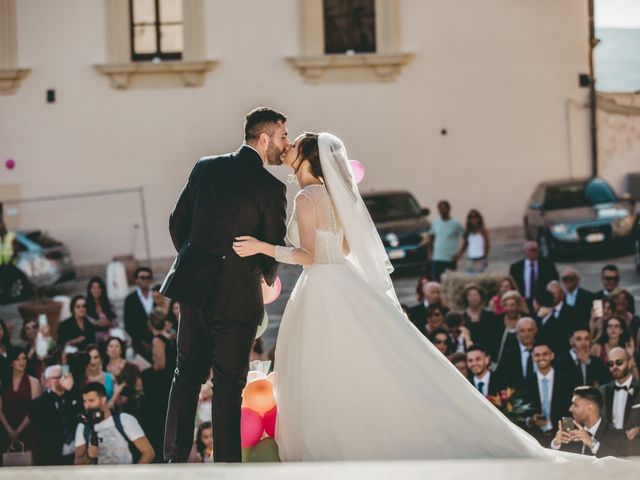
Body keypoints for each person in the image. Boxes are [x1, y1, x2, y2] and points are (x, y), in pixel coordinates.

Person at [232, 132, 585, 461]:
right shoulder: (335, 196)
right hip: (342, 280)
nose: (288, 147)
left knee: (324, 370)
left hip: (322, 285)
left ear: (307, 159)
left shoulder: (307, 196)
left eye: (294, 145)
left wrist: (262, 247)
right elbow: (345, 245)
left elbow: (309, 256)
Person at [161, 107, 288, 463]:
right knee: (228, 385)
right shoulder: (270, 187)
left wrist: (198, 262)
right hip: (238, 296)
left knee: (185, 373)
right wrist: (265, 277)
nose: (285, 144)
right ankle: (228, 467)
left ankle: (172, 461)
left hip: (195, 290)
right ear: (263, 139)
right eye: (282, 136)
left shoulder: (205, 167)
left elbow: (177, 222)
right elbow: (272, 247)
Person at [74, 382, 154, 465]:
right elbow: (77, 463)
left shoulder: (125, 420)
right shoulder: (83, 427)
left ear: (103, 399)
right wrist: (88, 456)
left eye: (91, 400)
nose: (87, 405)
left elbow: (148, 453)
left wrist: (133, 475)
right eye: (85, 401)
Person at [519, 342, 576, 445]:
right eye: (537, 355)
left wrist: (568, 435)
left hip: (561, 437)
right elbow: (521, 415)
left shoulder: (566, 381)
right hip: (534, 439)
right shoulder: (525, 383)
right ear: (532, 358)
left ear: (552, 355)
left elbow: (570, 410)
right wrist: (531, 420)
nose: (541, 358)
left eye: (545, 354)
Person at [551, 386, 628, 457]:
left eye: (575, 405)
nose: (570, 409)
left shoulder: (615, 434)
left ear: (590, 408)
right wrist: (555, 444)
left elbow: (618, 464)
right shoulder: (570, 431)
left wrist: (593, 444)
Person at [29, 365, 82, 465]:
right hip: (52, 456)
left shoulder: (72, 397)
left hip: (75, 454)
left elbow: (82, 413)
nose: (63, 379)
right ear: (48, 382)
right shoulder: (38, 404)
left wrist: (71, 391)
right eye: (59, 377)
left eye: (64, 376)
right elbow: (46, 428)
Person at [142, 308, 176, 462]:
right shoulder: (168, 338)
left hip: (160, 387)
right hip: (168, 384)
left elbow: (159, 365)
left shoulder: (157, 340)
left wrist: (144, 370)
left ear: (150, 324)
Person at [0, 348, 42, 455]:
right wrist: (10, 431)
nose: (22, 362)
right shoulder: (3, 383)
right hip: (5, 431)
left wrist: (18, 431)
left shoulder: (34, 382)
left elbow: (34, 411)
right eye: (18, 359)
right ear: (11, 363)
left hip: (27, 430)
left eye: (24, 359)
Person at [599, 347, 640, 455]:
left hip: (635, 451)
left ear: (630, 362)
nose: (614, 367)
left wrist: (638, 430)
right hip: (608, 450)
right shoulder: (603, 391)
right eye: (610, 364)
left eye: (619, 362)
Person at [509, 241, 558, 312]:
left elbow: (554, 281)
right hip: (523, 301)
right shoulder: (516, 267)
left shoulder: (547, 265)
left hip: (542, 302)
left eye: (535, 250)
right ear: (525, 251)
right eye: (531, 250)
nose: (534, 252)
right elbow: (512, 285)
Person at [535, 281, 577, 355]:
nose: (552, 296)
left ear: (562, 294)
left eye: (555, 293)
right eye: (549, 293)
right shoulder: (539, 313)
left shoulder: (572, 312)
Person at [104, 336, 142, 415]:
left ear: (121, 350)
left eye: (117, 346)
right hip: (107, 408)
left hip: (129, 409)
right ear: (106, 350)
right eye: (111, 346)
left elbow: (139, 389)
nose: (114, 349)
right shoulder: (102, 369)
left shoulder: (132, 367)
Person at [495, 317, 537, 388]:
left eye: (529, 330)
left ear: (535, 331)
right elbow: (501, 376)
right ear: (517, 333)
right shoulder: (509, 354)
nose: (526, 334)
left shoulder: (543, 351)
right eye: (522, 331)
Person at [428, 200, 464, 281]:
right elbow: (431, 237)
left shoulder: (455, 223)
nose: (442, 210)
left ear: (449, 209)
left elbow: (465, 237)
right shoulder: (436, 223)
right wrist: (430, 252)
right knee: (436, 280)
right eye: (440, 208)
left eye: (444, 208)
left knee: (450, 281)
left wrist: (460, 253)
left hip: (450, 258)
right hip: (437, 258)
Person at [124, 267, 154, 360]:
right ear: (136, 280)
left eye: (148, 277)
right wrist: (141, 341)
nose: (145, 280)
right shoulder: (130, 299)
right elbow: (128, 324)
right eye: (142, 277)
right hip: (139, 344)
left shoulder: (156, 296)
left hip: (158, 341)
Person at [461, 284, 497, 349]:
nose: (473, 298)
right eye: (470, 295)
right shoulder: (462, 317)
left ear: (480, 297)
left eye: (475, 295)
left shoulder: (489, 315)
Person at [456, 209, 490, 274]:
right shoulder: (468, 232)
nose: (473, 219)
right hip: (470, 258)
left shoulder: (482, 231)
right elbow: (465, 245)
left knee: (479, 275)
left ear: (479, 218)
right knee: (469, 275)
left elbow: (487, 245)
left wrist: (485, 257)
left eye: (475, 217)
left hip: (480, 258)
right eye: (471, 218)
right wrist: (459, 255)